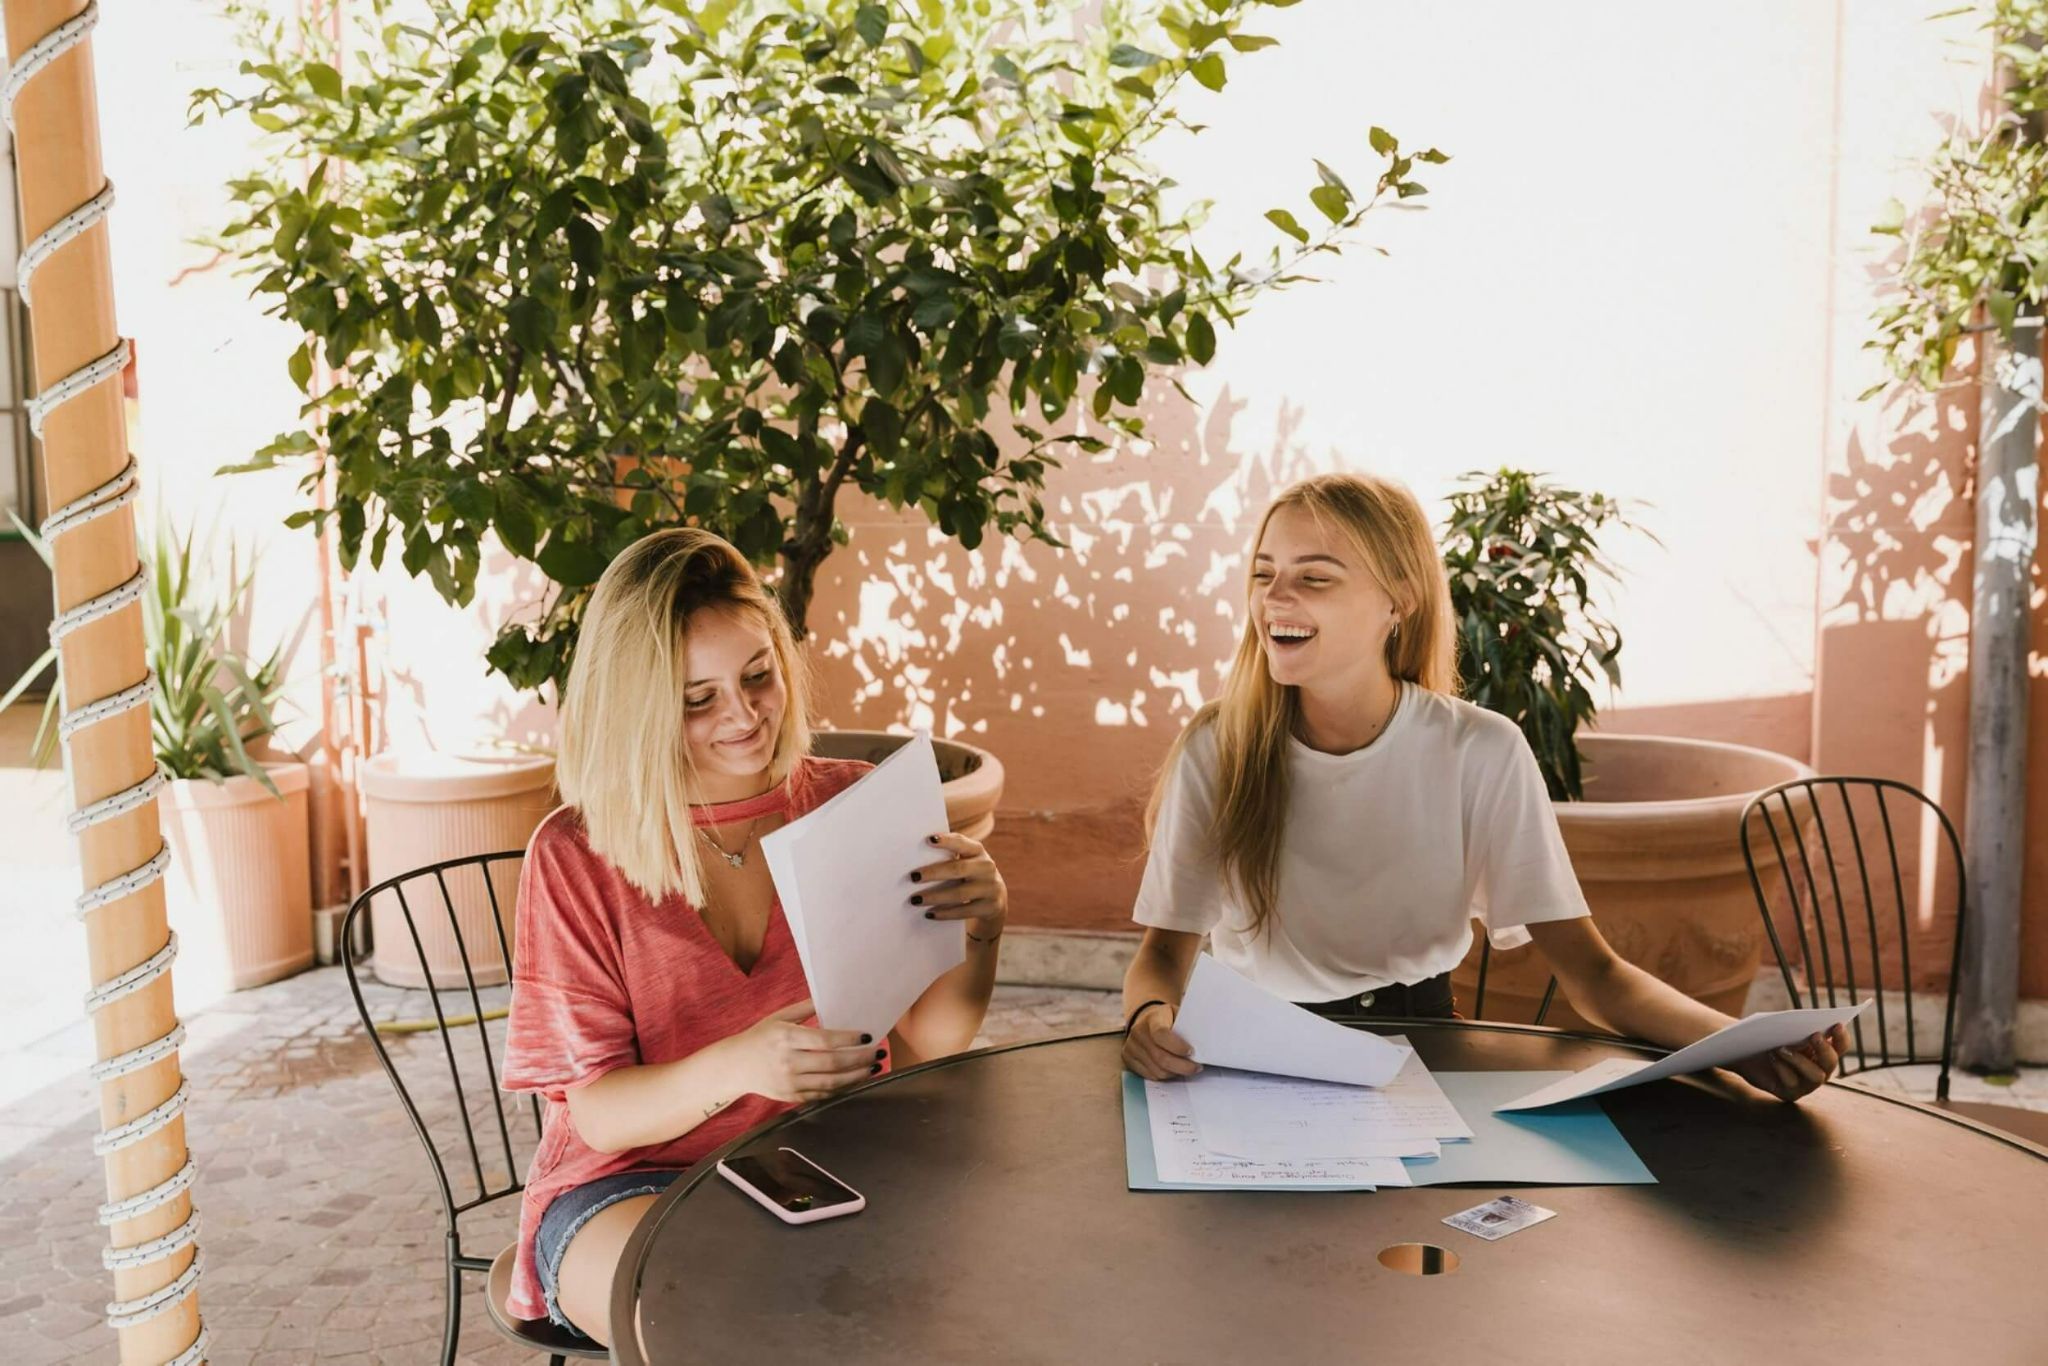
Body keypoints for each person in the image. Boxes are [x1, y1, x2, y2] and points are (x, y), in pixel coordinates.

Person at [1119, 472, 1847, 1101]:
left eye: (1313, 577)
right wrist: (1147, 1019)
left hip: (1427, 1060)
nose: (1274, 596)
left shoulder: (1482, 750)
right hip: (1252, 1068)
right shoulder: (1219, 747)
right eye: (1262, 572)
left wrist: (1742, 1043)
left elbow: (1594, 975)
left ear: (1396, 602)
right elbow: (1163, 958)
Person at [500, 529, 1008, 1344]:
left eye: (759, 676)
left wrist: (982, 926)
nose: (742, 717)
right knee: (709, 1318)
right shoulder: (577, 854)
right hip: (627, 1184)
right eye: (697, 699)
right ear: (636, 707)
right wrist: (739, 1064)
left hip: (827, 1156)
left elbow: (934, 1038)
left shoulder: (854, 802)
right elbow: (597, 1115)